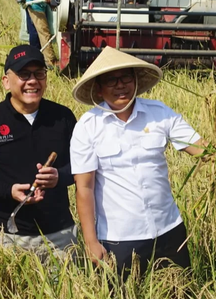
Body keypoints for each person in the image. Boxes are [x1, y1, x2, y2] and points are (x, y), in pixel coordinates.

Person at [70, 46, 207, 278]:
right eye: (111, 80)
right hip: (120, 237)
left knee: (180, 298)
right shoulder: (88, 126)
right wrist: (90, 241)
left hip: (168, 229)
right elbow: (84, 187)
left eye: (126, 77)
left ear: (135, 80)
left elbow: (202, 150)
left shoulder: (160, 113)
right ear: (99, 89)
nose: (120, 85)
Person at [0, 44, 77, 260]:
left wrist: (59, 177)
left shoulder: (63, 117)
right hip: (5, 236)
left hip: (59, 236)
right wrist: (8, 190)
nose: (32, 80)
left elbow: (83, 168)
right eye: (24, 74)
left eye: (39, 73)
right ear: (6, 81)